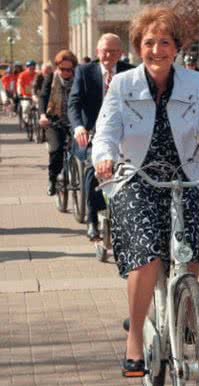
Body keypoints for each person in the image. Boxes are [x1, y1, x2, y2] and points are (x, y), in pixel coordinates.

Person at [92, 5, 199, 377]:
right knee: (146, 258)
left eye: (164, 42)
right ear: (138, 47)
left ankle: (185, 318)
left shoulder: (193, 83)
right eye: (149, 42)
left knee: (188, 255)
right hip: (136, 178)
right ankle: (134, 339)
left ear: (176, 47)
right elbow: (107, 130)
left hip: (184, 177)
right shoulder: (123, 84)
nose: (156, 49)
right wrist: (104, 158)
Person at [68, 33, 134, 240]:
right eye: (104, 51)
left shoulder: (131, 73)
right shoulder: (85, 72)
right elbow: (74, 103)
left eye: (113, 51)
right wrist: (78, 127)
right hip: (91, 134)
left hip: (124, 134)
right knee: (93, 167)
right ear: (97, 52)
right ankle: (93, 219)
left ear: (120, 53)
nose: (108, 55)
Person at [38, 50, 79, 197]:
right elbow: (43, 97)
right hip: (54, 120)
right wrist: (43, 115)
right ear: (57, 67)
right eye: (62, 69)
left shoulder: (79, 79)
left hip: (75, 121)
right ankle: (53, 178)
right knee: (56, 149)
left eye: (69, 69)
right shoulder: (50, 78)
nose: (66, 72)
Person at [17, 60, 38, 126]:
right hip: (25, 95)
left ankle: (38, 121)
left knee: (38, 107)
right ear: (27, 68)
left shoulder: (37, 74)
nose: (31, 69)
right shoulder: (22, 75)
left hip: (35, 95)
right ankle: (26, 120)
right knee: (26, 106)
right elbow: (19, 85)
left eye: (33, 68)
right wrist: (19, 93)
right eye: (30, 68)